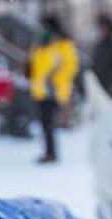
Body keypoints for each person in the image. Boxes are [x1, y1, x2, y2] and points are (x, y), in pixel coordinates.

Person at [30, 14, 79, 164]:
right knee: (44, 123)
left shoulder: (64, 45)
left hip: (54, 90)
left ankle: (51, 153)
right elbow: (35, 64)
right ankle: (48, 151)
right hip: (41, 90)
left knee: (48, 122)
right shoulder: (40, 44)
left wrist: (55, 80)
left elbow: (70, 67)